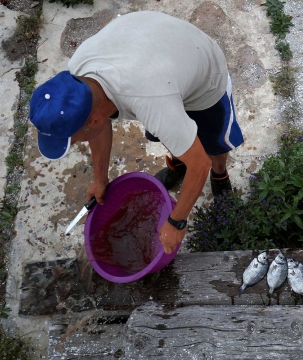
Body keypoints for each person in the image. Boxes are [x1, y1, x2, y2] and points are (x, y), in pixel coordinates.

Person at [29, 11, 244, 254]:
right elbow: (96, 128)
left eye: (76, 139)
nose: (78, 143)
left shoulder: (151, 101)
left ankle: (221, 174)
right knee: (173, 136)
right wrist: (99, 179)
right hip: (159, 57)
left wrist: (177, 222)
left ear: (94, 119)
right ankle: (178, 162)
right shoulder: (79, 73)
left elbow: (199, 164)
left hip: (204, 72)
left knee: (212, 146)